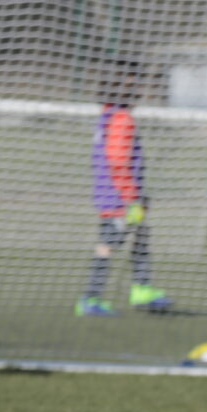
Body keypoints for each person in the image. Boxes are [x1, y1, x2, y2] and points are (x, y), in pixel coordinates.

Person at [81, 68, 168, 317]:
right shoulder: (121, 118)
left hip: (110, 194)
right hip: (120, 198)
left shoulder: (106, 115)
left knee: (139, 235)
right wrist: (133, 199)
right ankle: (91, 298)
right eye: (131, 85)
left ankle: (141, 289)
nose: (136, 90)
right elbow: (118, 161)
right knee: (108, 245)